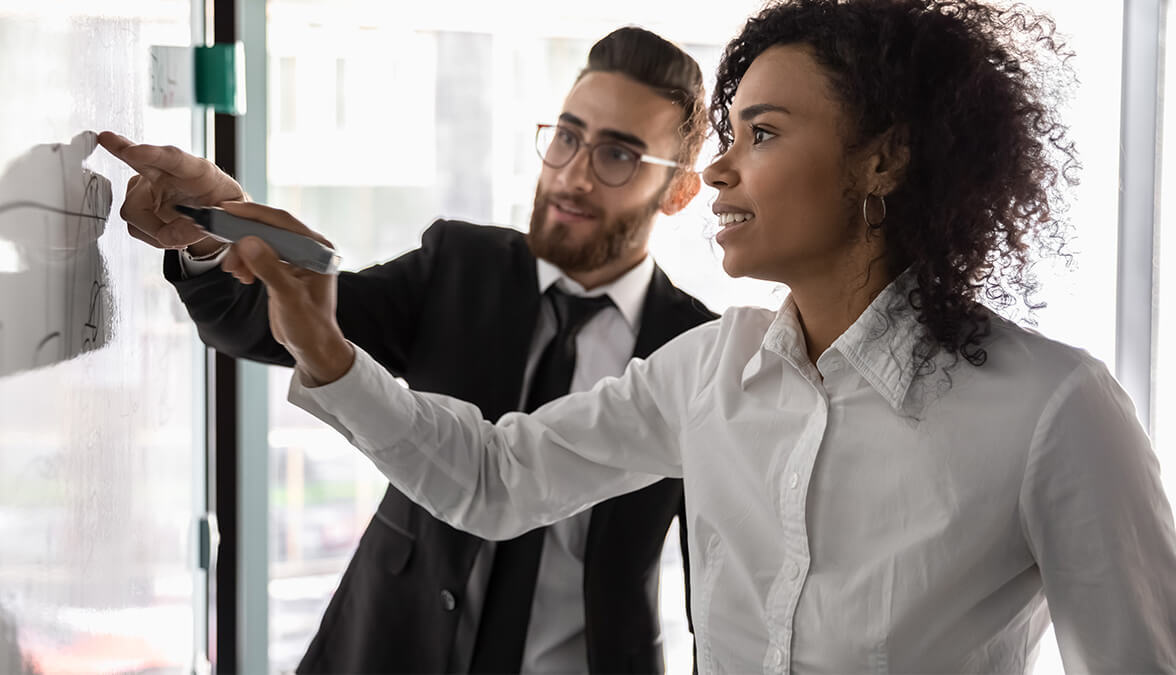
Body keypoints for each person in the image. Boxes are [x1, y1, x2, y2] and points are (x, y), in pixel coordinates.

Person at [201, 0, 1176, 672]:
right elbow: (497, 482)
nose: (719, 174)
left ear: (882, 162)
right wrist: (324, 354)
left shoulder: (1053, 411)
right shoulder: (710, 372)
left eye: (762, 135)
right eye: (726, 137)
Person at [100, 26, 716, 674]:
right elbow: (267, 324)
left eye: (617, 155)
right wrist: (212, 230)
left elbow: (724, 594)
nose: (573, 176)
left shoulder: (698, 351)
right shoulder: (460, 265)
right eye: (566, 137)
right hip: (389, 646)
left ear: (678, 191)